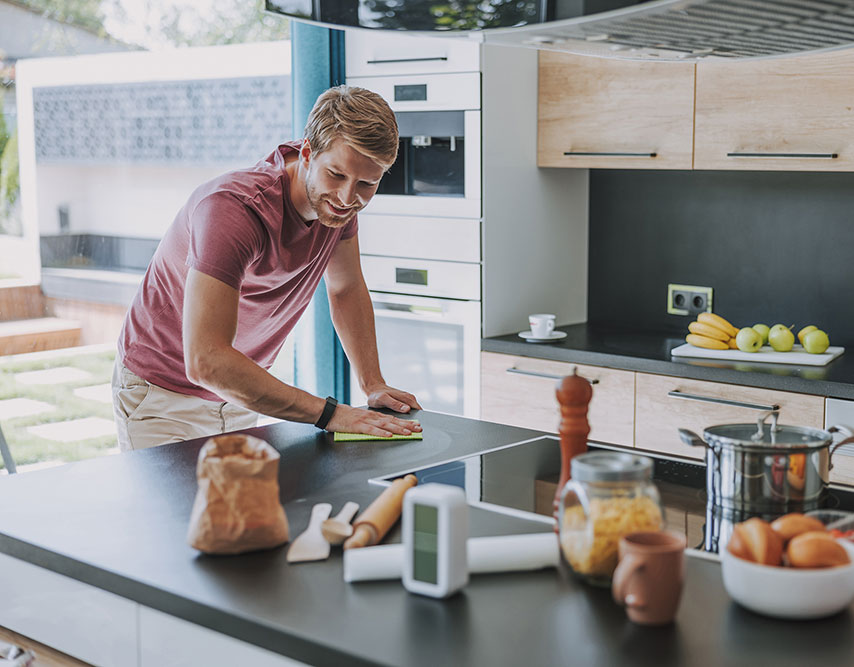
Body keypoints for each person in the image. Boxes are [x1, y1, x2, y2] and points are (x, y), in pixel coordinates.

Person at [111, 85, 421, 451]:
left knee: (244, 508)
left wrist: (373, 383)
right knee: (181, 511)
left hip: (237, 393)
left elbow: (345, 288)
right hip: (162, 396)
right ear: (307, 153)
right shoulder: (233, 210)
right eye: (336, 175)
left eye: (368, 183)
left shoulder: (337, 209)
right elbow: (206, 360)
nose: (348, 197)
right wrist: (331, 414)